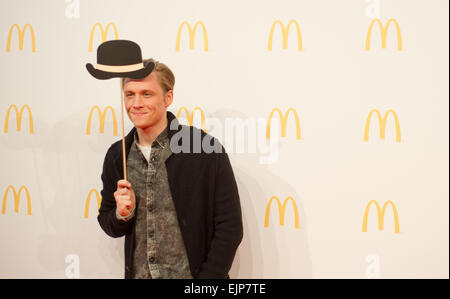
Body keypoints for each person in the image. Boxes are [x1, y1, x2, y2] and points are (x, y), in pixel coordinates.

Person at [97, 58, 243, 279]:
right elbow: (109, 224)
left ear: (168, 97)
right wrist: (121, 214)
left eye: (146, 94)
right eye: (129, 94)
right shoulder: (118, 155)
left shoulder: (205, 149)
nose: (136, 103)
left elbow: (229, 228)